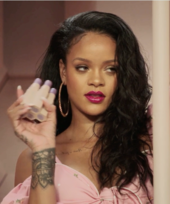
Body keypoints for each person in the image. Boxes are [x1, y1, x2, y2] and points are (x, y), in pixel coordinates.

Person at [1, 11, 153, 204]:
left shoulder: (150, 137)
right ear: (63, 71)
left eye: (111, 69)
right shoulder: (32, 159)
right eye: (83, 67)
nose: (96, 80)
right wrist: (43, 150)